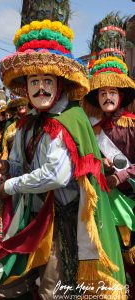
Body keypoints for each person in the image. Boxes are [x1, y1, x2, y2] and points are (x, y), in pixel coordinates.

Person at [0, 18, 126, 300]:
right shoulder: (27, 124)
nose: (41, 88)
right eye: (35, 81)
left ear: (59, 84)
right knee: (6, 286)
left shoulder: (69, 119)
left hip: (62, 224)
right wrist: (4, 167)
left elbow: (55, 175)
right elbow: (21, 165)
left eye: (47, 81)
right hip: (32, 220)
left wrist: (9, 186)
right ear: (26, 86)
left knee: (52, 292)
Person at [83, 13, 135, 299]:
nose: (106, 97)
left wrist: (120, 174)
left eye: (112, 91)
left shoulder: (132, 125)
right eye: (101, 92)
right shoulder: (92, 130)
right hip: (103, 206)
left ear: (120, 94)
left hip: (130, 202)